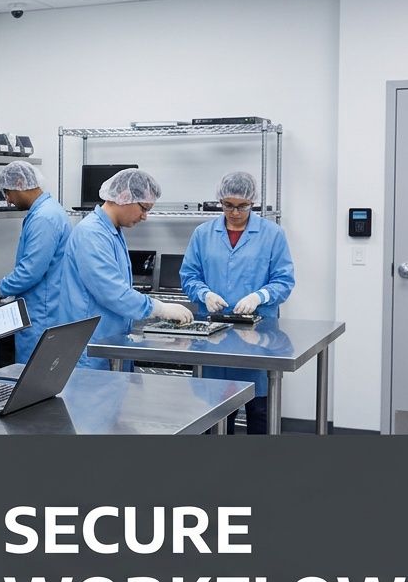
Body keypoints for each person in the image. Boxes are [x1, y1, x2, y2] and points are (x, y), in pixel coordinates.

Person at [180, 171, 295, 434]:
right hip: (214, 334)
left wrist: (260, 296)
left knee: (259, 411)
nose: (234, 212)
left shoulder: (272, 234)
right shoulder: (203, 234)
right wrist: (204, 294)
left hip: (258, 335)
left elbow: (284, 280)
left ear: (252, 202)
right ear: (220, 201)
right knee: (216, 411)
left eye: (242, 206)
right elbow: (189, 276)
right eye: (228, 205)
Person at [56, 168, 193, 370]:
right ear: (123, 197)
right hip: (89, 349)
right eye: (144, 208)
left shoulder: (112, 231)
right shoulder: (91, 233)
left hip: (106, 342)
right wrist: (159, 308)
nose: (145, 216)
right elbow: (111, 291)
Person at [0, 161, 70, 363]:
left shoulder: (44, 218)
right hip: (44, 308)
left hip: (42, 315)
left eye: (8, 192)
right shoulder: (47, 212)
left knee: (33, 378)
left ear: (20, 182)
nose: (7, 199)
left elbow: (30, 271)